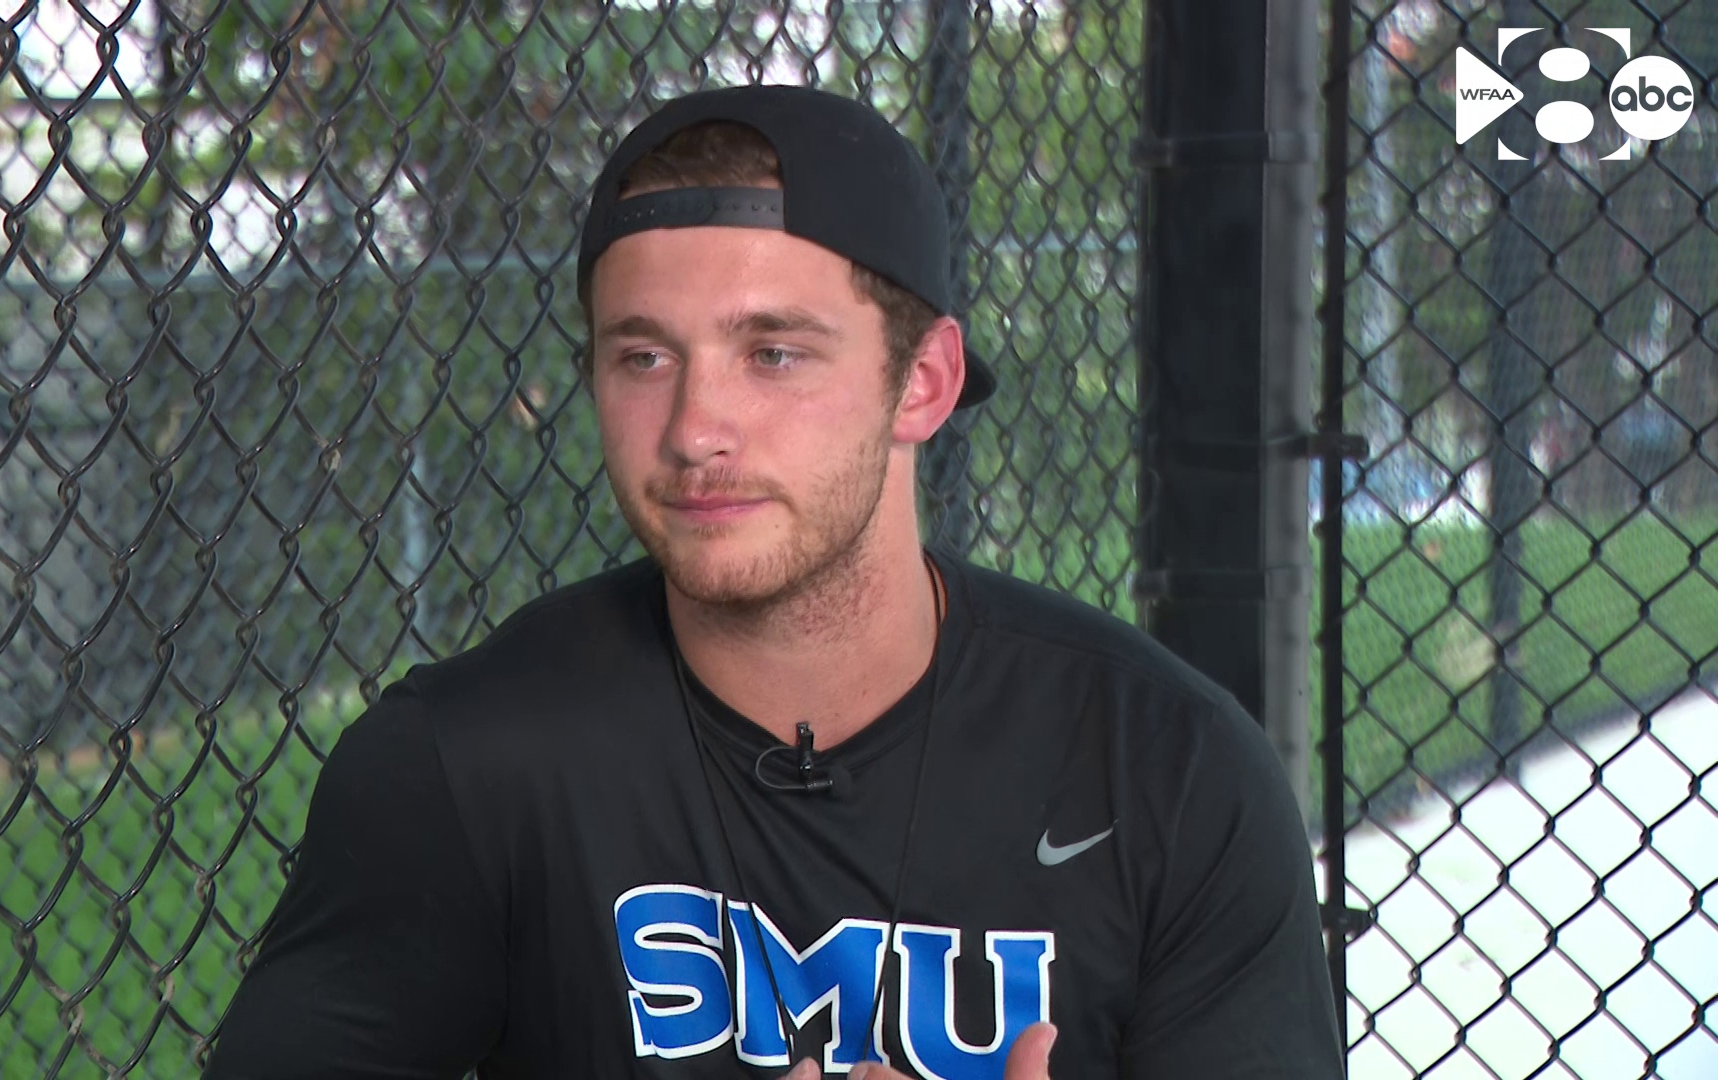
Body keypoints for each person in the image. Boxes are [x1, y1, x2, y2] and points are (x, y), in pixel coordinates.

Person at [201, 85, 1344, 1080]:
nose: (696, 428)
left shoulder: (1167, 770)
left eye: (775, 354)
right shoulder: (467, 766)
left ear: (924, 383)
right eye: (643, 356)